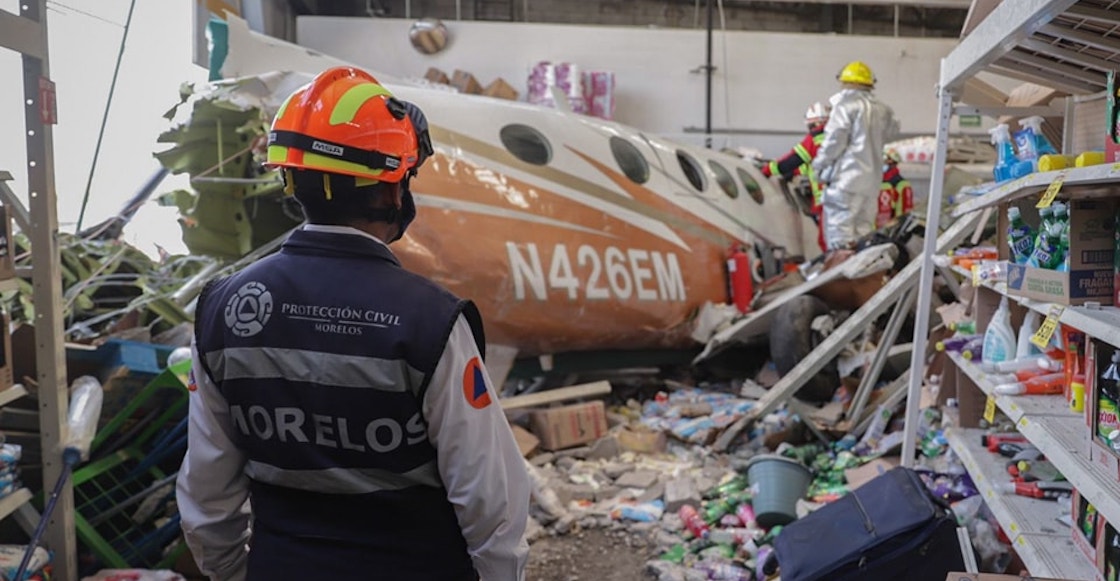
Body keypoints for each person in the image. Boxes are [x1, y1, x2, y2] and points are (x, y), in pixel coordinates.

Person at [176, 66, 530, 581]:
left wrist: (233, 574)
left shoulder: (222, 310)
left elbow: (207, 492)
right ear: (391, 190)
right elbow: (488, 497)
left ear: (290, 179)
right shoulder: (431, 322)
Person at [811, 61, 899, 250]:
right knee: (863, 236)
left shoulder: (845, 107)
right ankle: (863, 277)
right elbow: (892, 133)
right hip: (871, 184)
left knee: (839, 238)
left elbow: (834, 140)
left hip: (846, 182)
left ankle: (842, 277)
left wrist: (818, 166)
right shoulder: (884, 111)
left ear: (845, 83)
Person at [760, 101, 831, 252]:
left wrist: (768, 169)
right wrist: (794, 173)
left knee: (828, 242)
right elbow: (815, 164)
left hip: (828, 200)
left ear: (817, 123)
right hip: (848, 199)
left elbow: (793, 159)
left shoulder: (817, 138)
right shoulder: (842, 138)